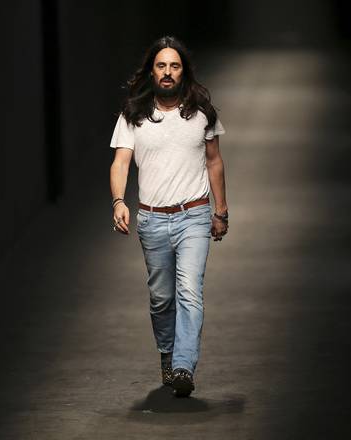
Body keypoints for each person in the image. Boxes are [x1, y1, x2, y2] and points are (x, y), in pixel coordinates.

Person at [109, 36, 228, 397]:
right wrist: (118, 201)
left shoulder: (203, 113)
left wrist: (220, 210)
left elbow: (214, 162)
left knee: (190, 291)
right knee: (162, 298)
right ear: (151, 71)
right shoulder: (134, 115)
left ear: (183, 72)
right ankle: (168, 353)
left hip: (193, 214)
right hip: (153, 220)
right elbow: (121, 162)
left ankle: (183, 366)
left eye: (174, 66)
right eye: (161, 65)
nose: (167, 72)